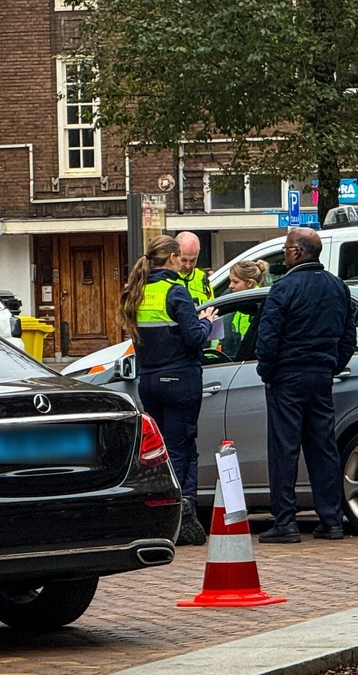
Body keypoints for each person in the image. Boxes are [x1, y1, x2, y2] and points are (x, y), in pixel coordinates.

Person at [255, 227, 356, 543]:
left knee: (284, 449)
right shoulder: (337, 287)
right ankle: (331, 519)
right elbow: (348, 337)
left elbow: (267, 338)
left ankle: (285, 522)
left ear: (298, 253)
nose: (284, 255)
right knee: (323, 448)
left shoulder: (283, 289)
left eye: (286, 249)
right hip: (320, 376)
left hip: (286, 377)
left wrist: (267, 373)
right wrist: (330, 365)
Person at [119, 235, 217, 546]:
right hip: (179, 379)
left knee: (158, 453)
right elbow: (193, 337)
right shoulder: (176, 291)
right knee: (181, 448)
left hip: (148, 381)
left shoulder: (139, 290)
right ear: (173, 259)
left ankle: (162, 511)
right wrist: (206, 322)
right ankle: (181, 516)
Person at [220, 259, 269, 359]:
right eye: (230, 281)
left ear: (250, 283)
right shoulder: (239, 302)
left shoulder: (258, 305)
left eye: (235, 282)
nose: (230, 286)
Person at [175, 231, 214, 305]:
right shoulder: (166, 279)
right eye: (183, 260)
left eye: (193, 260)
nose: (188, 266)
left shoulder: (203, 279)